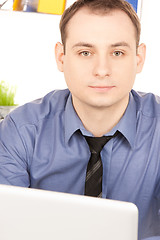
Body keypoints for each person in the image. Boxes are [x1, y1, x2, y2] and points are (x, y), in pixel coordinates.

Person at [0, 0, 159, 239]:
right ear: (61, 57)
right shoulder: (20, 130)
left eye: (117, 52)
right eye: (85, 52)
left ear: (138, 58)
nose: (102, 69)